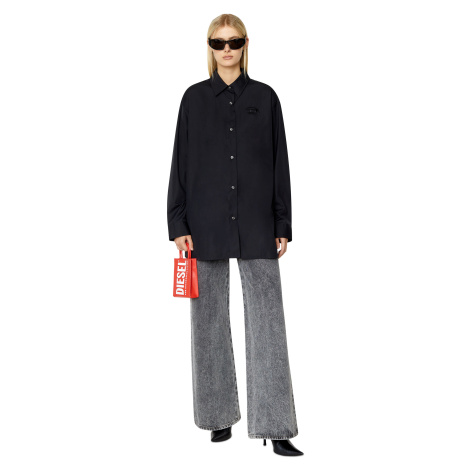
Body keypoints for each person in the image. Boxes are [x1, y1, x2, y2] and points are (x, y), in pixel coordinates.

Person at [167, 14, 303, 457]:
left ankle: (276, 426)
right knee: (207, 322)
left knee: (268, 323)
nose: (227, 49)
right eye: (218, 42)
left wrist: (282, 223)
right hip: (203, 223)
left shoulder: (266, 98)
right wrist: (177, 223)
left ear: (245, 45)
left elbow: (280, 163)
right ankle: (217, 417)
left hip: (257, 223)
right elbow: (179, 163)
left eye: (234, 41)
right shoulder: (193, 99)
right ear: (210, 47)